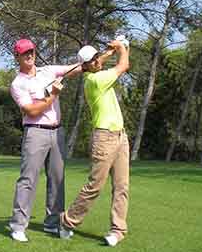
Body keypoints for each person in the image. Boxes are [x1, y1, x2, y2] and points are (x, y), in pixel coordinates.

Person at [8, 38, 83, 242]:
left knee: (57, 180)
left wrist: (97, 58)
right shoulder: (18, 83)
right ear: (18, 57)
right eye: (25, 53)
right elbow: (31, 111)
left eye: (31, 51)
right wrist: (53, 96)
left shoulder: (47, 71)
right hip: (35, 132)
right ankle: (18, 226)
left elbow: (74, 68)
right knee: (28, 179)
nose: (30, 55)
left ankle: (52, 224)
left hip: (57, 132)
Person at [59, 38, 130, 247]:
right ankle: (67, 221)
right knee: (95, 186)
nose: (97, 61)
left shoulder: (98, 70)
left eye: (97, 57)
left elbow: (102, 59)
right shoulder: (94, 81)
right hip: (104, 138)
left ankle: (118, 230)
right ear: (86, 66)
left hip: (120, 136)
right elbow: (124, 65)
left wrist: (110, 50)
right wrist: (122, 47)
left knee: (122, 187)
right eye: (93, 60)